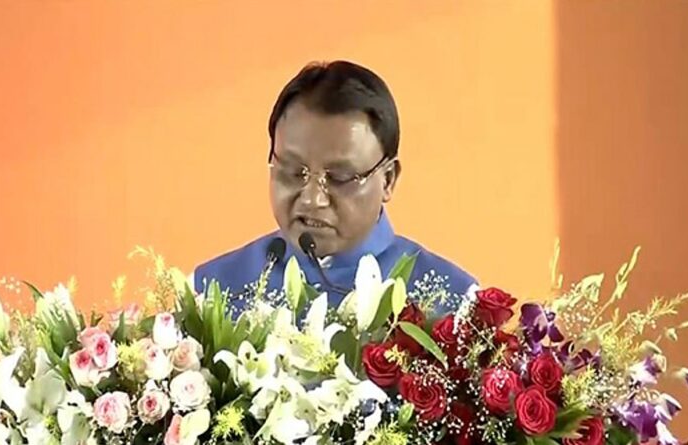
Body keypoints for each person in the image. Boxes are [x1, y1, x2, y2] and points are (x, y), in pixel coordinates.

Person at [192, 60, 476, 313]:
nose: (312, 199)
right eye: (293, 172)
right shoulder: (209, 294)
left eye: (340, 177)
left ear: (388, 179)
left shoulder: (456, 308)